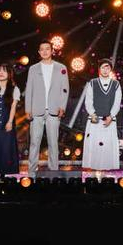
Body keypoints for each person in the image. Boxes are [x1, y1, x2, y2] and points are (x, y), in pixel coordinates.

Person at [25, 40, 70, 177]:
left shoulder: (61, 68)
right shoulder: (33, 69)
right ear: (39, 52)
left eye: (47, 49)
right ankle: (31, 172)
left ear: (52, 51)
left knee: (53, 143)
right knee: (34, 142)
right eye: (42, 49)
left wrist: (62, 106)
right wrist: (28, 109)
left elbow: (65, 89)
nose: (45, 51)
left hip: (54, 110)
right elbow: (29, 89)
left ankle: (53, 172)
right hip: (36, 110)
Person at [82, 58, 122, 171]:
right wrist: (92, 113)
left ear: (110, 70)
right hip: (95, 119)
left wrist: (111, 116)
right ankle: (93, 173)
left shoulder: (116, 84)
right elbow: (88, 100)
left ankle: (106, 173)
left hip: (109, 120)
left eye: (107, 67)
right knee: (94, 145)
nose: (105, 70)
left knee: (107, 146)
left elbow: (117, 102)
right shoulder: (93, 83)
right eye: (103, 67)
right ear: (99, 69)